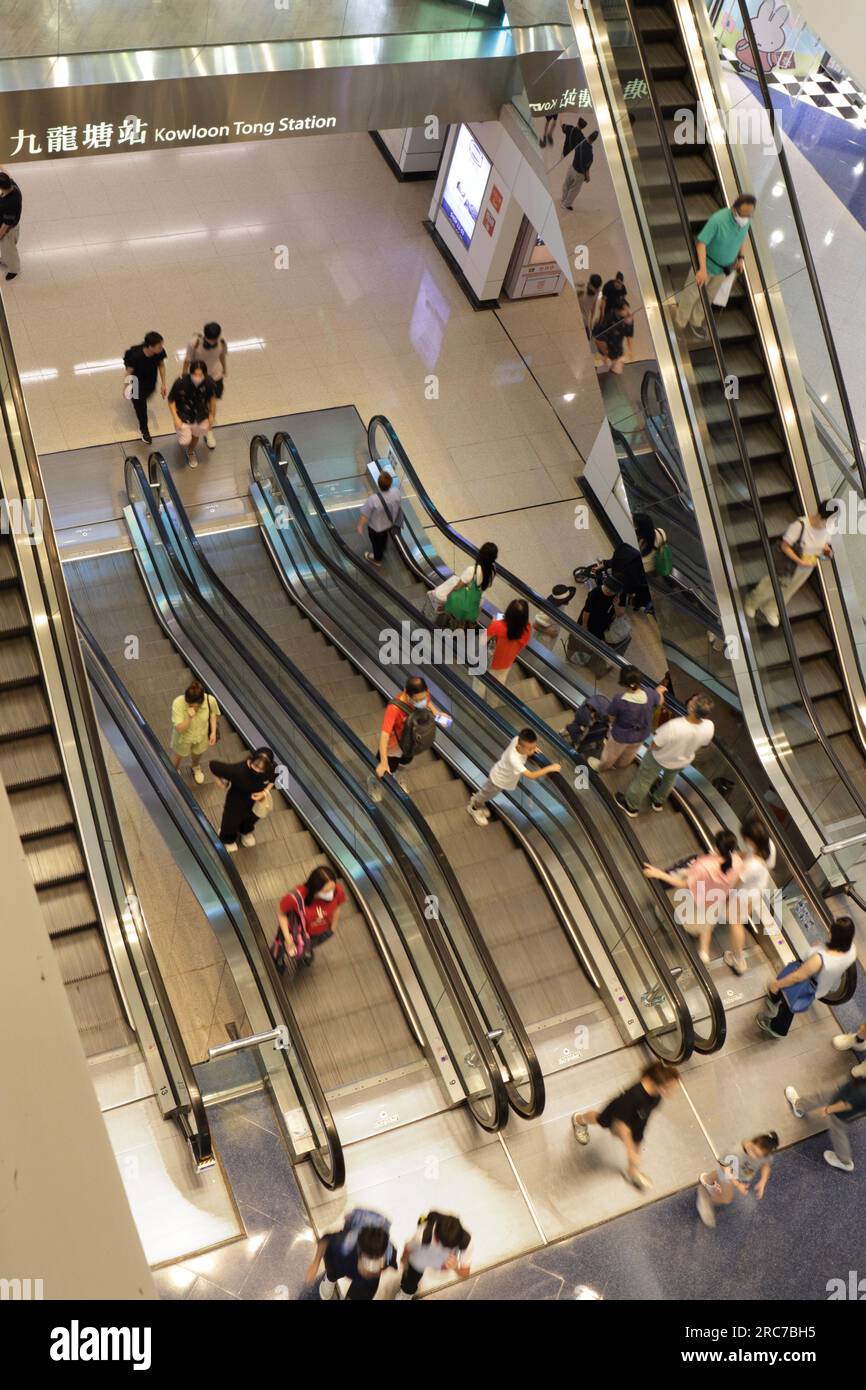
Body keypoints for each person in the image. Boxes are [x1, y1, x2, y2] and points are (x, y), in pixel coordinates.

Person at [572, 1061, 680, 1191]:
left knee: (638, 1139)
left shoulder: (657, 1094)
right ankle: (579, 1120)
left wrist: (637, 1138)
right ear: (661, 1085)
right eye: (671, 1087)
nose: (674, 1091)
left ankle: (632, 1171)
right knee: (600, 1119)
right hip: (619, 1112)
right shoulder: (634, 1096)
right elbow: (622, 1126)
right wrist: (630, 1150)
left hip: (640, 1114)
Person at [643, 829, 743, 965]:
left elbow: (685, 884)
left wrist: (659, 874)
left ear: (716, 847)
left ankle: (667, 922)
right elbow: (735, 882)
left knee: (668, 907)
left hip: (694, 902)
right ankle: (704, 952)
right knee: (706, 923)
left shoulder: (704, 865)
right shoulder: (737, 862)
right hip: (714, 902)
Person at [757, 916, 857, 1039]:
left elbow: (798, 977)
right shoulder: (851, 951)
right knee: (788, 999)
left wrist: (777, 984)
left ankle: (777, 1028)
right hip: (821, 986)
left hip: (805, 985)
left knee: (789, 1004)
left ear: (832, 935)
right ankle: (775, 1000)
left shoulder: (819, 959)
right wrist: (822, 947)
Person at [616, 693, 714, 817]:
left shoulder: (674, 725)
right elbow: (703, 744)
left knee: (643, 781)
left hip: (659, 758)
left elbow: (655, 745)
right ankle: (658, 801)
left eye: (693, 700)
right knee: (669, 780)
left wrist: (654, 750)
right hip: (682, 761)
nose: (691, 699)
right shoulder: (709, 726)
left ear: (692, 708)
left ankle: (630, 806)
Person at [744, 501, 837, 629]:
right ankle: (752, 602)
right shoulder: (800, 525)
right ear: (820, 516)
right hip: (789, 564)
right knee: (771, 585)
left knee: (789, 590)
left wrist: (827, 551)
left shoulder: (827, 529)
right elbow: (785, 546)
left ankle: (771, 609)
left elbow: (824, 543)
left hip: (806, 568)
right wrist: (800, 561)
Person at [675, 193, 757, 336]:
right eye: (743, 215)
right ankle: (680, 323)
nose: (745, 218)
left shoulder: (746, 220)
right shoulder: (718, 220)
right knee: (691, 295)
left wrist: (741, 258)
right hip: (706, 266)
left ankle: (696, 321)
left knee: (709, 297)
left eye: (749, 215)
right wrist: (702, 269)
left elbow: (742, 238)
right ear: (734, 210)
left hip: (723, 269)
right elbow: (701, 244)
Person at [467, 727, 560, 825]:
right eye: (530, 749)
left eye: (534, 747)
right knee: (487, 794)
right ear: (519, 747)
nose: (532, 751)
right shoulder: (514, 759)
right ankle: (473, 808)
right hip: (498, 780)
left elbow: (525, 746)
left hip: (502, 776)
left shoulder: (517, 739)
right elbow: (531, 775)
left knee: (487, 793)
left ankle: (479, 800)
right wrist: (550, 768)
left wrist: (531, 749)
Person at [723, 813, 776, 976]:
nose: (744, 842)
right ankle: (738, 957)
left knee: (735, 922)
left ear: (752, 840)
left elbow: (735, 882)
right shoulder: (769, 846)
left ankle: (738, 959)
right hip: (756, 889)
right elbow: (748, 854)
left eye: (745, 839)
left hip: (745, 894)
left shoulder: (752, 865)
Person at [306, 1208, 398, 1301]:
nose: (368, 1273)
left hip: (365, 1282)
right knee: (333, 1266)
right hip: (344, 1259)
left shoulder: (389, 1254)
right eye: (367, 1267)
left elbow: (390, 1264)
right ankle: (330, 1278)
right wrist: (315, 1264)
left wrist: (380, 1271)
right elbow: (325, 1241)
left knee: (363, 1292)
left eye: (374, 1270)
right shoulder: (343, 1244)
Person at [587, 666, 665, 771]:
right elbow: (660, 701)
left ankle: (602, 767)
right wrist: (659, 691)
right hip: (641, 734)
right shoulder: (650, 694)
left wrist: (611, 724)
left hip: (621, 736)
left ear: (623, 683)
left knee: (610, 754)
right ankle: (620, 765)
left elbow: (611, 716)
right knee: (630, 753)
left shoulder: (620, 700)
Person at [785, 1073, 866, 1172]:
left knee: (837, 1130)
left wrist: (828, 1110)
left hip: (846, 1102)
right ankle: (800, 1105)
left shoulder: (861, 1093)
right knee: (825, 1095)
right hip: (848, 1091)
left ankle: (844, 1160)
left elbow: (846, 1104)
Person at [376, 675, 445, 791]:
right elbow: (384, 735)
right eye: (418, 701)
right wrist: (383, 762)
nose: (422, 702)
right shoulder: (394, 709)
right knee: (387, 767)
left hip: (411, 738)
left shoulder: (423, 693)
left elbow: (427, 702)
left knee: (406, 760)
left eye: (424, 697)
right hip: (394, 746)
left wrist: (437, 713)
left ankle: (398, 776)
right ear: (408, 696)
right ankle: (374, 784)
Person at [696, 1132, 778, 1228]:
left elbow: (766, 1165)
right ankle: (706, 1200)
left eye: (758, 1156)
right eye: (753, 1151)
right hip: (729, 1174)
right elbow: (724, 1167)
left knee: (718, 1174)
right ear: (751, 1143)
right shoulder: (736, 1152)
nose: (754, 1157)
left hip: (738, 1173)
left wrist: (763, 1182)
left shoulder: (764, 1154)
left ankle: (706, 1179)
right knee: (726, 1199)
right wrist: (738, 1185)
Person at [277, 864, 346, 967]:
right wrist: (288, 938)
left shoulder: (337, 891)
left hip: (319, 933)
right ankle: (278, 959)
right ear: (315, 889)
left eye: (333, 888)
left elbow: (337, 906)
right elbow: (281, 913)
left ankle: (304, 955)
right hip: (295, 932)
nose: (331, 893)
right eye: (326, 891)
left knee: (306, 949)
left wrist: (332, 928)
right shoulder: (296, 897)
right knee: (281, 948)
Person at [210, 747, 274, 852]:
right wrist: (220, 782)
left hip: (254, 802)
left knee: (251, 818)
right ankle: (227, 839)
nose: (257, 770)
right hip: (236, 801)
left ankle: (245, 831)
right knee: (231, 821)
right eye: (256, 766)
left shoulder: (270, 769)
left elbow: (273, 779)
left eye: (261, 769)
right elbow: (213, 765)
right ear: (252, 760)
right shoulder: (237, 771)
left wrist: (264, 792)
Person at [396, 1211, 472, 1300]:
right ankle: (405, 1293)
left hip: (441, 1261)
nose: (444, 1248)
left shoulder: (466, 1242)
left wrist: (455, 1267)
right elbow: (408, 1247)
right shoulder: (422, 1233)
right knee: (411, 1278)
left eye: (449, 1247)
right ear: (435, 1234)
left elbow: (465, 1274)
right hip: (421, 1257)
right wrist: (403, 1260)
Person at [182, 322, 227, 448]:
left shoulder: (222, 342)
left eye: (215, 340)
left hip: (215, 377)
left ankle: (209, 430)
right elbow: (187, 360)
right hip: (199, 377)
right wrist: (184, 376)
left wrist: (224, 368)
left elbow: (222, 355)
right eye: (210, 340)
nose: (213, 343)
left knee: (212, 403)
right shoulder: (194, 343)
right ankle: (193, 425)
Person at [432, 542, 498, 629]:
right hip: (478, 602)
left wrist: (448, 597)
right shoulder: (493, 570)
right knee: (464, 620)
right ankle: (462, 629)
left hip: (464, 603)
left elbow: (457, 587)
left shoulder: (472, 570)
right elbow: (487, 585)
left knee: (445, 598)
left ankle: (451, 626)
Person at [167, 359, 216, 468]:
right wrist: (175, 418)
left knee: (196, 435)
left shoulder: (208, 382)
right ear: (190, 373)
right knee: (184, 441)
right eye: (195, 375)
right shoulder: (181, 382)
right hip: (183, 415)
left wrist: (212, 415)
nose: (197, 378)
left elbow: (212, 399)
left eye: (200, 375)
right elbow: (171, 400)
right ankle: (186, 442)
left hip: (200, 415)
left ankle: (190, 452)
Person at [169, 680, 219, 784]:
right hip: (183, 738)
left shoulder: (210, 700)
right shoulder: (178, 703)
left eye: (196, 706)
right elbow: (179, 728)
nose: (193, 708)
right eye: (190, 705)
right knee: (178, 755)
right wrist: (189, 718)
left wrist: (213, 732)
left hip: (201, 736)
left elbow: (213, 714)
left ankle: (195, 766)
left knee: (198, 753)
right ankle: (174, 770)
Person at [122, 331, 167, 445]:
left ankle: (139, 404)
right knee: (141, 407)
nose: (162, 348)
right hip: (136, 383)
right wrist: (126, 388)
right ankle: (144, 430)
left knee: (144, 398)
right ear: (150, 347)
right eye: (159, 346)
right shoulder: (135, 356)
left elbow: (161, 365)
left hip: (150, 380)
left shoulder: (159, 352)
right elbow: (129, 372)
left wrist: (163, 383)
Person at [356, 469, 402, 567]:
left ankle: (377, 560)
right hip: (389, 524)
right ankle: (383, 548)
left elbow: (365, 515)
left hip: (375, 528)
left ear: (379, 484)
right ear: (390, 483)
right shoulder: (396, 492)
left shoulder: (373, 499)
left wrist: (360, 526)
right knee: (384, 537)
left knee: (376, 544)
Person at [483, 598, 531, 686]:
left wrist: (494, 623)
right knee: (498, 685)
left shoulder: (497, 626)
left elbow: (482, 641)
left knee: (481, 682)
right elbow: (521, 645)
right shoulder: (527, 629)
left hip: (490, 661)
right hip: (507, 663)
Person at [579, 571, 622, 642]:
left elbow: (618, 615)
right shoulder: (594, 593)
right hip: (590, 621)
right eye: (607, 587)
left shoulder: (617, 597)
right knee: (580, 640)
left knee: (593, 641)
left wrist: (616, 605)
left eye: (612, 590)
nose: (608, 591)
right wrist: (584, 625)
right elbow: (587, 610)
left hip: (602, 625)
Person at [561, 129, 599, 210]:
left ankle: (563, 198)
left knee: (566, 184)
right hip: (579, 175)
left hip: (572, 167)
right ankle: (566, 204)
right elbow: (587, 169)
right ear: (594, 140)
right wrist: (588, 178)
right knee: (574, 190)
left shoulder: (580, 142)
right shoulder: (590, 154)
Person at [594, 301, 634, 376]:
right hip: (606, 346)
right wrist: (606, 355)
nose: (629, 314)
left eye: (628, 311)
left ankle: (606, 369)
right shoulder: (608, 320)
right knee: (608, 366)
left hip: (616, 347)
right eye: (625, 311)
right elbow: (598, 340)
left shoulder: (628, 318)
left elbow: (630, 334)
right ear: (617, 311)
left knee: (615, 369)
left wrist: (630, 350)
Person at [0, 170, 22, 281]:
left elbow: (6, 226)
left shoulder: (11, 203)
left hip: (8, 231)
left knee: (9, 250)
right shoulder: (12, 185)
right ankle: (4, 259)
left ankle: (14, 269)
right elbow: (7, 173)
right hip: (6, 226)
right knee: (5, 249)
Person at [577, 272, 603, 338]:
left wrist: (591, 320)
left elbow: (594, 305)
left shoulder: (596, 292)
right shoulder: (581, 289)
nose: (597, 290)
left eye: (597, 288)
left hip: (585, 320)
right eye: (596, 288)